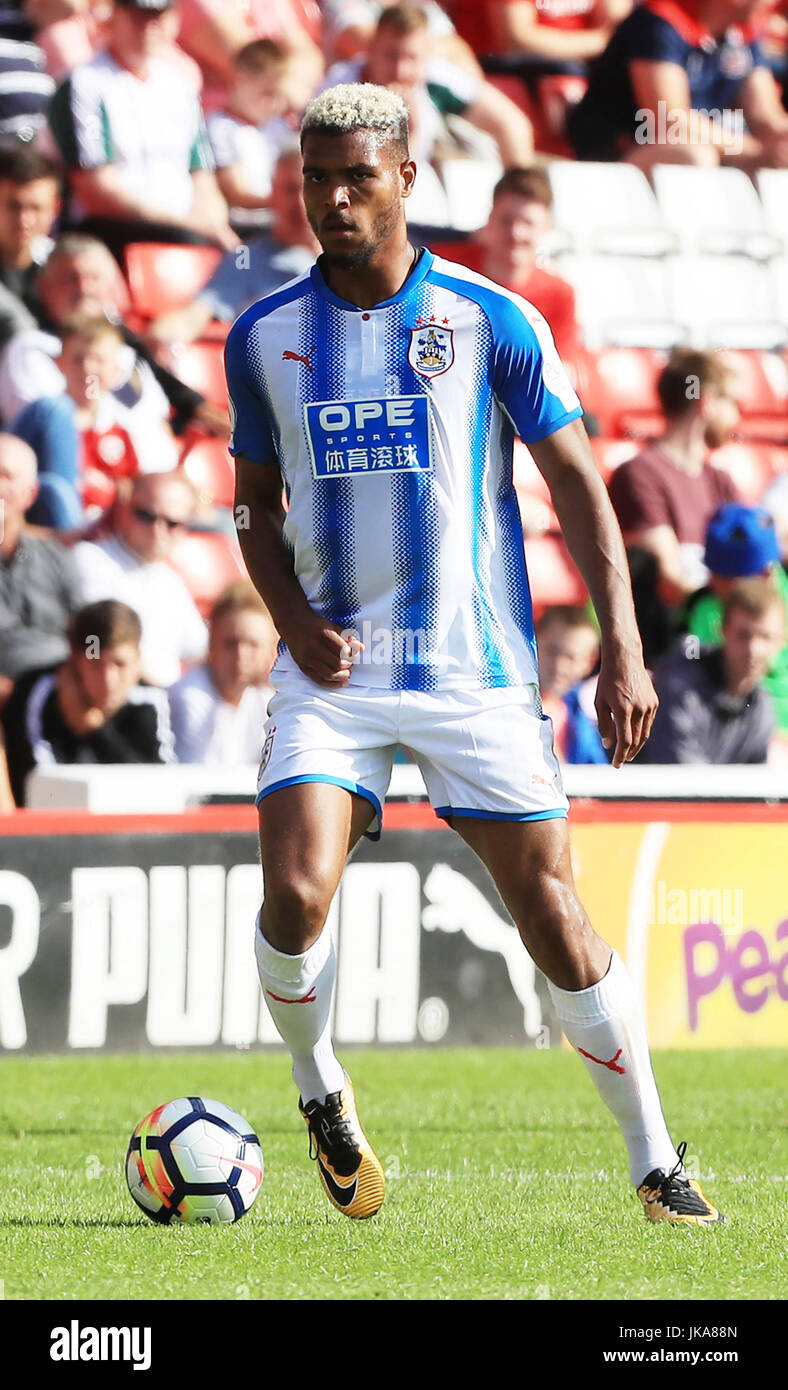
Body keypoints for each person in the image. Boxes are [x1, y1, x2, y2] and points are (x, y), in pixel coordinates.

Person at [226, 82, 722, 1226]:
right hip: (332, 672)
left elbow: (578, 488)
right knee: (296, 893)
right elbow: (250, 504)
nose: (333, 198)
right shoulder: (264, 337)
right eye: (315, 178)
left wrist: (623, 647)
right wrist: (291, 617)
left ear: (407, 178)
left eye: (356, 175)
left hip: (473, 669)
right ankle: (319, 1088)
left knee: (550, 913)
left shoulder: (490, 318)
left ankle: (654, 1163)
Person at [47, 0, 237, 264]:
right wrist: (190, 225)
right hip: (111, 232)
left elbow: (202, 175)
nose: (148, 27)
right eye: (137, 16)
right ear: (114, 16)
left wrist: (216, 224)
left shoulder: (180, 86)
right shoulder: (84, 84)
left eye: (157, 17)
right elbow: (95, 190)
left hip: (183, 229)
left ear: (174, 20)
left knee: (246, 256)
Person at [0, 233, 224, 437]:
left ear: (109, 288)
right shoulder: (29, 350)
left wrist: (194, 408)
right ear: (44, 286)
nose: (83, 288)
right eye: (71, 279)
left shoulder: (125, 351)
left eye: (94, 278)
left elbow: (151, 413)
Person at [608, 348, 740, 662]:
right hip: (669, 649)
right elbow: (670, 580)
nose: (738, 415)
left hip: (717, 635)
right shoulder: (639, 474)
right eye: (732, 402)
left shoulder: (720, 480)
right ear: (706, 402)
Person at [568, 0, 788, 169]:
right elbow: (670, 122)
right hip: (612, 155)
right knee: (695, 158)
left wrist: (780, 143)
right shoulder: (660, 21)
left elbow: (766, 117)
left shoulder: (744, 30)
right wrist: (756, 151)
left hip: (693, 147)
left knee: (769, 164)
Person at [2, 597, 175, 806]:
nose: (108, 680)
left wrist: (95, 730)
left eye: (120, 664)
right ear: (74, 663)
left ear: (138, 663)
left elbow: (161, 790)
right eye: (96, 665)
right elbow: (38, 790)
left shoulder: (148, 700)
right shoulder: (38, 694)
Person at [12, 315, 177, 528]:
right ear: (59, 363)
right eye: (78, 358)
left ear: (117, 370)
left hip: (103, 537)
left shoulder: (128, 428)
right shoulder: (43, 419)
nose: (88, 369)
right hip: (54, 533)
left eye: (99, 360)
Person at [322, 3, 534, 168]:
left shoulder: (436, 77)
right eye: (391, 56)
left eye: (411, 58)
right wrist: (409, 130)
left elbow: (512, 125)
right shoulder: (341, 88)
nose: (400, 71)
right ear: (372, 49)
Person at [149, 146, 319, 347]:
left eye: (311, 189)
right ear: (273, 192)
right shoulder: (246, 257)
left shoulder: (354, 256)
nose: (301, 203)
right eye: (291, 190)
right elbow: (199, 311)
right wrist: (162, 336)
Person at [71, 471, 207, 687]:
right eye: (145, 515)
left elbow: (201, 651)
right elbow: (103, 644)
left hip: (167, 701)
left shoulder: (171, 581)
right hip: (119, 696)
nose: (157, 530)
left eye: (172, 523)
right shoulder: (89, 559)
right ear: (124, 509)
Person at [643, 576, 784, 763]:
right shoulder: (679, 686)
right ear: (722, 630)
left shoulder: (762, 706)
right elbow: (682, 779)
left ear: (780, 641)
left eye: (765, 637)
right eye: (743, 635)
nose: (753, 649)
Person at [452, 166, 581, 371]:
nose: (516, 233)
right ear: (490, 219)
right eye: (507, 221)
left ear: (546, 227)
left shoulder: (559, 293)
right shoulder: (446, 268)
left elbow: (562, 371)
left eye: (528, 223)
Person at [686, 502, 788, 732]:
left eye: (724, 576)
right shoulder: (705, 608)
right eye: (712, 571)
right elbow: (692, 667)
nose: (712, 581)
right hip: (730, 730)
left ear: (763, 575)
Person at [0, 432, 81, 698]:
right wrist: (19, 700)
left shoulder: (54, 557)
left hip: (68, 691)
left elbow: (88, 628)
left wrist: (94, 662)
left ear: (30, 494)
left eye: (6, 476)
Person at [169, 581, 277, 763]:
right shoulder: (187, 698)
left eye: (253, 644)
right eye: (230, 644)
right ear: (211, 645)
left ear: (269, 649)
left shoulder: (266, 699)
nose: (240, 655)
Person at [206, 39, 296, 231]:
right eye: (267, 94)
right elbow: (237, 192)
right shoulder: (220, 127)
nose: (275, 104)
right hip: (246, 228)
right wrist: (288, 203)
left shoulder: (278, 127)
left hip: (280, 223)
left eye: (280, 96)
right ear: (239, 80)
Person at [0, 145, 61, 348]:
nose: (24, 220)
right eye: (14, 206)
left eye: (36, 208)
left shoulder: (68, 270)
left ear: (55, 208)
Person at [536, 606, 607, 763]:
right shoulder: (507, 704)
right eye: (552, 651)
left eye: (571, 657)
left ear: (589, 662)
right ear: (534, 641)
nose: (559, 666)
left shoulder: (583, 721)